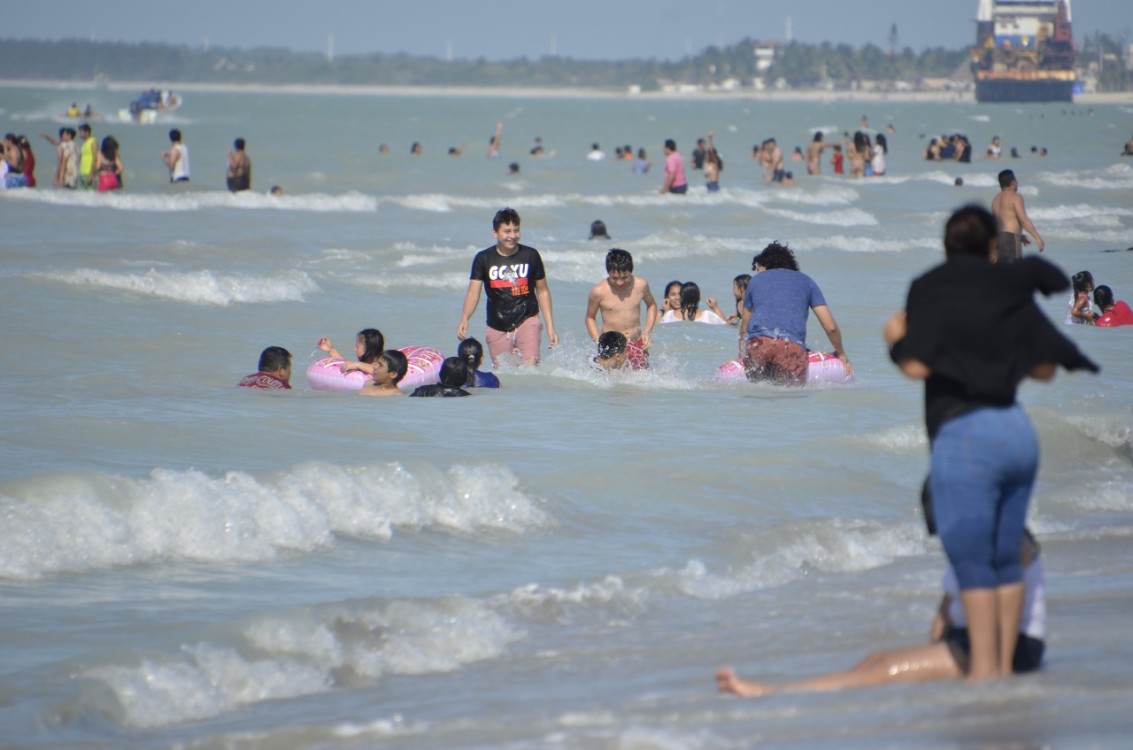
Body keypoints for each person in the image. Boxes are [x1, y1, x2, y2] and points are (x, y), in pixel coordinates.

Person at [885, 204, 1098, 681]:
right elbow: (1043, 369)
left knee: (974, 564)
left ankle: (986, 684)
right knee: (1006, 557)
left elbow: (917, 366)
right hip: (1015, 432)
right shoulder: (1010, 294)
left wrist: (894, 339)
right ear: (989, 247)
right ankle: (1002, 675)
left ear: (945, 247)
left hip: (965, 436)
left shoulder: (930, 288)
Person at [718, 530, 1046, 697]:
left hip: (1008, 644)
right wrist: (936, 643)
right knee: (875, 660)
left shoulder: (1010, 536)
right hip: (963, 639)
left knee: (884, 669)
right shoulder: (968, 535)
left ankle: (771, 691)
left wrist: (996, 668)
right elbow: (948, 606)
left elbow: (1009, 590)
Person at [456, 207, 559, 367]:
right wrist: (465, 317)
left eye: (516, 230)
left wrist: (550, 326)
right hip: (497, 324)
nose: (512, 236)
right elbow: (473, 293)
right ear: (495, 233)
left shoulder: (530, 255)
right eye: (507, 231)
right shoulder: (483, 259)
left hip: (527, 319)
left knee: (529, 366)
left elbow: (542, 290)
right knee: (504, 373)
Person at [741, 243, 852, 385]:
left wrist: (740, 356)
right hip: (790, 346)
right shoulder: (807, 281)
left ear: (765, 265)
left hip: (758, 345)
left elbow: (744, 327)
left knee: (758, 396)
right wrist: (841, 354)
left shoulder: (755, 281)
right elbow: (830, 327)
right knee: (788, 399)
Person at [585, 248, 657, 370]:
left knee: (640, 381)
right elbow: (590, 318)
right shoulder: (598, 291)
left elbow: (651, 305)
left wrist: (647, 331)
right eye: (614, 278)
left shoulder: (640, 285)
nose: (619, 282)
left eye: (624, 278)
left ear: (631, 271)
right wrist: (598, 342)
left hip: (636, 343)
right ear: (608, 273)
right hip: (611, 347)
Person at [991, 169, 1044, 262]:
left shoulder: (995, 200)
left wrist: (1020, 236)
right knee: (1015, 272)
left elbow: (998, 224)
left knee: (1001, 273)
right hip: (1010, 239)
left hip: (997, 239)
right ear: (1013, 182)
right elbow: (1023, 220)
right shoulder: (1015, 197)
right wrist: (1037, 238)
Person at [316, 328, 385, 376]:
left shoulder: (380, 364)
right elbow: (345, 364)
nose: (354, 349)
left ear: (370, 350)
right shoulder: (366, 364)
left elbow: (378, 370)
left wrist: (357, 364)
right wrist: (331, 350)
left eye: (357, 347)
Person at [661, 281, 727, 325]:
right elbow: (726, 326)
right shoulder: (707, 315)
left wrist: (666, 311)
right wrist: (716, 308)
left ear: (681, 297)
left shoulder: (669, 315)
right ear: (699, 297)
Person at [77, 123, 98, 190]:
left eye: (81, 132)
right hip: (82, 173)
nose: (79, 134)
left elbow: (95, 158)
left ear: (87, 132)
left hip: (89, 173)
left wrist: (92, 174)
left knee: (90, 194)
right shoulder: (84, 144)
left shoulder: (93, 142)